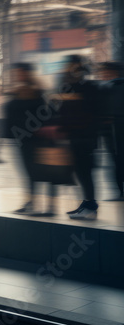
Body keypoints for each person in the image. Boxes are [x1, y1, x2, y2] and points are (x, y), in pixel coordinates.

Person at [51, 55, 100, 219]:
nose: (68, 69)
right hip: (73, 136)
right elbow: (59, 109)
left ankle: (91, 206)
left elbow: (90, 110)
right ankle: (86, 203)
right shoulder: (67, 86)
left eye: (72, 66)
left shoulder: (88, 87)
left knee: (85, 172)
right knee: (80, 172)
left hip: (85, 137)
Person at [5, 63, 50, 214]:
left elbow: (44, 114)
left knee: (37, 171)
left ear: (26, 73)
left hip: (36, 138)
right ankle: (31, 201)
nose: (16, 76)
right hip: (21, 139)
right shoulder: (16, 92)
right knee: (27, 171)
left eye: (18, 73)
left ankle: (41, 204)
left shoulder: (37, 93)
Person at [97, 62, 124, 200]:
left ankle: (121, 192)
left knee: (118, 162)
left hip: (116, 131)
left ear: (115, 73)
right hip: (109, 132)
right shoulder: (105, 87)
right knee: (115, 162)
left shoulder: (114, 87)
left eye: (106, 73)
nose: (103, 75)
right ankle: (120, 192)